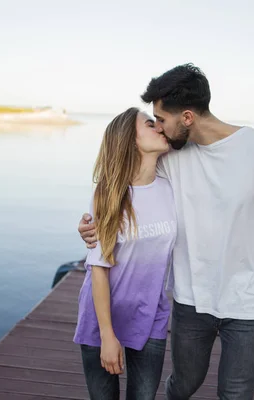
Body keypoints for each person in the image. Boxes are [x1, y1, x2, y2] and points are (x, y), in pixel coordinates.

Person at [78, 64, 254, 400]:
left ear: (187, 117)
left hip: (250, 303)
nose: (158, 127)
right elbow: (123, 182)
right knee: (182, 386)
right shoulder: (171, 155)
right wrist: (88, 225)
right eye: (153, 121)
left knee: (236, 393)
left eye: (161, 119)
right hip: (190, 300)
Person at [73, 107, 177, 400]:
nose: (159, 127)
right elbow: (99, 268)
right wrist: (107, 335)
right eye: (150, 124)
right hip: (103, 317)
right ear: (130, 140)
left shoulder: (172, 189)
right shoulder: (108, 194)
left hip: (151, 315)